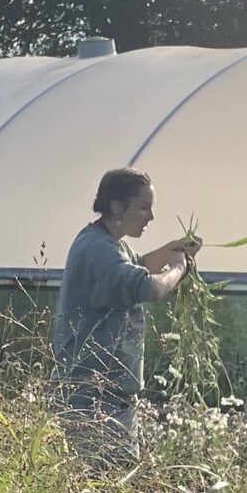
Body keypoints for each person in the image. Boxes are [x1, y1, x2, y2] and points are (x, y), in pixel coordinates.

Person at [52, 167, 200, 469]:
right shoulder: (96, 248)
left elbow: (140, 264)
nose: (150, 217)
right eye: (144, 207)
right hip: (92, 397)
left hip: (113, 395)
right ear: (117, 206)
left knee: (116, 489)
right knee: (102, 488)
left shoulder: (110, 244)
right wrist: (179, 269)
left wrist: (176, 248)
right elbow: (149, 286)